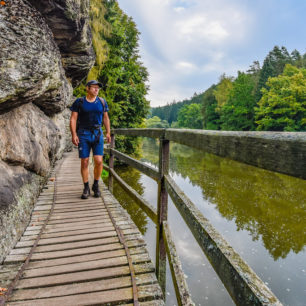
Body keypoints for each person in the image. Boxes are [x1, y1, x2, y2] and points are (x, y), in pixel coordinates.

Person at [69, 80, 111, 199]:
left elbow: (106, 118)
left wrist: (108, 132)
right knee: (85, 161)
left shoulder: (102, 102)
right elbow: (73, 119)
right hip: (83, 133)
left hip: (97, 133)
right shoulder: (80, 102)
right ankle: (86, 187)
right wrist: (74, 134)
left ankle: (96, 185)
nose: (96, 89)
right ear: (87, 88)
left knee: (98, 161)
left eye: (98, 88)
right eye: (94, 87)